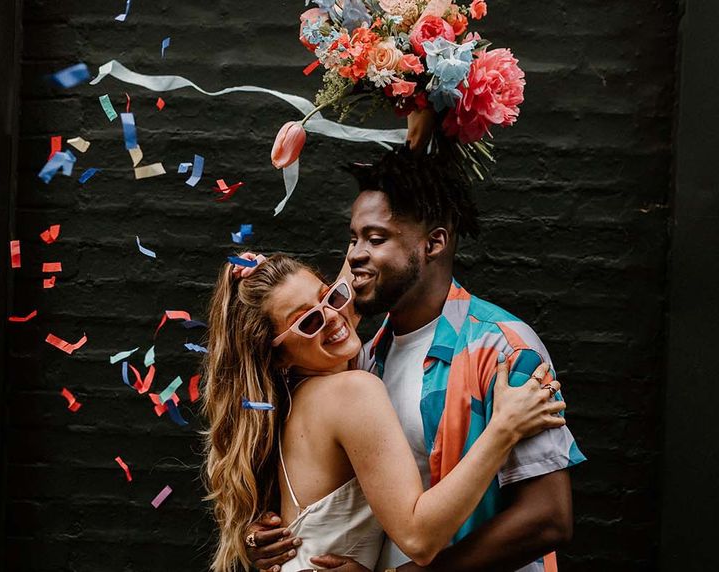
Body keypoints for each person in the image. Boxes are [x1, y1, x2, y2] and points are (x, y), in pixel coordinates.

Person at [245, 147, 586, 572]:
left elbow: (548, 520)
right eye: (353, 238)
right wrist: (279, 537)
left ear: (434, 243)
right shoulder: (367, 357)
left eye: (375, 238)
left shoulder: (502, 349)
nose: (354, 254)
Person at [201, 251, 567, 572]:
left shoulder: (295, 400)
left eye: (331, 296)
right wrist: (503, 430)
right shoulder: (352, 391)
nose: (331, 317)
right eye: (308, 321)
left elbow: (344, 290)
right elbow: (419, 538)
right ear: (278, 355)